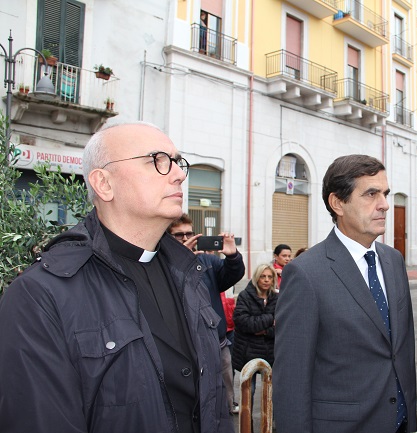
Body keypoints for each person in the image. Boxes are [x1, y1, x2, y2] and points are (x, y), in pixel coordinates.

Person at [0, 122, 233, 433]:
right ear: (103, 184)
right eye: (157, 160)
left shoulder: (190, 275)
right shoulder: (41, 295)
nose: (178, 173)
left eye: (177, 161)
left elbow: (214, 407)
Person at [274, 154, 417, 433]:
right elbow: (291, 381)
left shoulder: (394, 260)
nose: (385, 205)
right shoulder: (305, 274)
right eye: (371, 194)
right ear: (338, 203)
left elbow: (402, 349)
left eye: (385, 194)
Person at [167, 213, 245, 416]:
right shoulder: (164, 264)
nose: (185, 239)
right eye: (178, 235)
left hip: (217, 345)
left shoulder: (207, 261)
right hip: (186, 347)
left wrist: (232, 256)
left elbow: (233, 275)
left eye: (189, 234)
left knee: (224, 395)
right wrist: (179, 261)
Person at [231, 264, 278, 403]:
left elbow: (281, 325)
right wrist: (270, 319)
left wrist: (263, 330)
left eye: (270, 277)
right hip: (248, 352)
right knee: (248, 394)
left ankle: (272, 424)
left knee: (270, 394)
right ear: (257, 278)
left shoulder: (276, 297)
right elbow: (244, 323)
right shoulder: (245, 296)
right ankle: (247, 424)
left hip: (270, 352)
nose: (266, 280)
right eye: (263, 276)